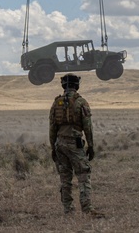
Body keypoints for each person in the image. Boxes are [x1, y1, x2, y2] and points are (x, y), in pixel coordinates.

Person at [48, 74, 102, 217]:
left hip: (60, 143)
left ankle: (68, 209)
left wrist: (53, 147)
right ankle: (87, 208)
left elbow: (52, 127)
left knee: (65, 178)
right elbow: (88, 127)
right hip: (74, 143)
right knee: (83, 174)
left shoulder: (56, 103)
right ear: (76, 85)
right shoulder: (81, 102)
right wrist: (90, 146)